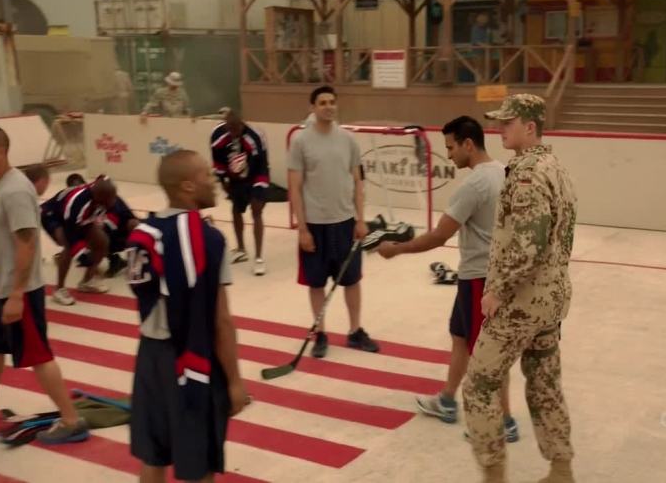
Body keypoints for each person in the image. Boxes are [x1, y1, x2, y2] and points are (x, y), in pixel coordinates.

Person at [376, 116, 519, 442]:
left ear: (468, 144)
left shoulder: (474, 184)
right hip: (479, 276)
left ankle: (505, 422)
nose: (449, 154)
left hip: (480, 280)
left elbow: (439, 236)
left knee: (488, 352)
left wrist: (396, 249)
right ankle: (447, 401)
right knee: (459, 337)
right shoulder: (502, 172)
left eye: (451, 147)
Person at [462, 94, 577, 483]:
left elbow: (530, 244)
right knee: (544, 384)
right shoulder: (556, 168)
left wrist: (498, 290)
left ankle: (494, 475)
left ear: (530, 127)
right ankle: (561, 470)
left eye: (507, 123)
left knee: (479, 384)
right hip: (551, 300)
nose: (499, 129)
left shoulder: (527, 174)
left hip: (521, 302)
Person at [126, 149, 249, 482]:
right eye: (206, 175)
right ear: (188, 186)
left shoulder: (142, 235)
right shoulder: (209, 239)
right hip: (193, 358)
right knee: (199, 461)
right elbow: (221, 320)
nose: (214, 180)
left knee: (153, 456)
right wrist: (235, 381)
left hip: (150, 357)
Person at [0, 124, 89, 443]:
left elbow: (27, 243)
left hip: (18, 291)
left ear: (0, 151)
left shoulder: (15, 190)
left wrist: (17, 294)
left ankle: (71, 421)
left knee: (39, 355)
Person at [287, 86, 379, 358]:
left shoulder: (348, 140)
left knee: (352, 280)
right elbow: (294, 188)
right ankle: (320, 334)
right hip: (314, 226)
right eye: (322, 103)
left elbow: (358, 182)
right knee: (316, 283)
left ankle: (355, 331)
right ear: (312, 107)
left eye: (331, 102)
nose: (328, 106)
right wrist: (303, 229)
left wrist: (360, 220)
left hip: (345, 224)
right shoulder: (300, 141)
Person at [211, 109, 270, 275]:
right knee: (236, 209)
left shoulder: (255, 136)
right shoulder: (217, 135)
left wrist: (260, 187)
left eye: (236, 128)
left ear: (242, 124)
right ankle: (241, 249)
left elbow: (262, 165)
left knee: (256, 210)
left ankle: (258, 258)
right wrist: (223, 180)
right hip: (235, 177)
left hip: (257, 174)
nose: (233, 133)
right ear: (226, 126)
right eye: (230, 129)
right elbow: (217, 161)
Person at [51, 177, 118, 306]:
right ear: (100, 198)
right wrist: (82, 256)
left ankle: (86, 282)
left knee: (102, 241)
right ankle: (59, 289)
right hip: (56, 216)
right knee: (68, 248)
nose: (113, 201)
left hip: (80, 218)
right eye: (110, 199)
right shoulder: (78, 203)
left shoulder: (104, 193)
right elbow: (71, 234)